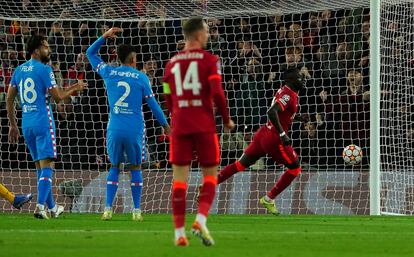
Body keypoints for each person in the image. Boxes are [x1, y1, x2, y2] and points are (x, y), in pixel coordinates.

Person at [162, 17, 234, 246]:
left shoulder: (171, 63)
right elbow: (218, 93)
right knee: (210, 176)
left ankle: (179, 233)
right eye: (206, 31)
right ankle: (201, 219)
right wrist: (227, 120)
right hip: (204, 125)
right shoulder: (210, 60)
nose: (208, 35)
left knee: (179, 181)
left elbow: (167, 93)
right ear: (197, 35)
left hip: (180, 125)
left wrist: (177, 112)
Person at [86, 28, 170, 222]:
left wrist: (104, 36)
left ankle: (107, 209)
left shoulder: (109, 71)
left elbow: (90, 53)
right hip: (134, 129)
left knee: (114, 166)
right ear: (133, 60)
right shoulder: (141, 78)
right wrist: (165, 125)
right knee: (135, 168)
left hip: (114, 128)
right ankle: (137, 211)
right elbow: (154, 105)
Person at [6, 35, 85, 219]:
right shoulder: (45, 69)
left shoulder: (18, 70)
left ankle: (53, 207)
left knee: (40, 168)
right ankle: (40, 207)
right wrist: (75, 87)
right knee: (48, 166)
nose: (49, 50)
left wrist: (12, 124)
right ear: (36, 50)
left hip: (26, 124)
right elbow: (58, 97)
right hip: (43, 121)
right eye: (46, 47)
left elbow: (9, 99)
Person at [214, 68, 307, 215]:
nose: (302, 80)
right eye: (299, 77)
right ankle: (269, 199)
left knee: (240, 164)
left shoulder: (286, 92)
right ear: (290, 80)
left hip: (263, 133)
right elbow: (272, 111)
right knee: (295, 168)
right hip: (275, 138)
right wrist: (283, 134)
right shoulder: (289, 95)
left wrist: (296, 117)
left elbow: (282, 112)